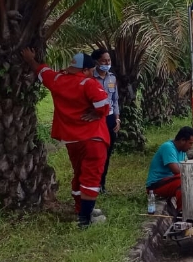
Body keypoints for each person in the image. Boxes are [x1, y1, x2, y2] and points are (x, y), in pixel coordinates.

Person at [21, 49, 110, 228]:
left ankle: (81, 209)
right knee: (91, 177)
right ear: (84, 70)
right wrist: (96, 113)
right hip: (93, 138)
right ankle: (85, 220)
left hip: (72, 139)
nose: (93, 73)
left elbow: (41, 70)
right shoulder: (89, 83)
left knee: (79, 174)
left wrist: (30, 59)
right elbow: (103, 104)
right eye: (91, 70)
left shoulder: (57, 80)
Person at [145, 126, 193, 215]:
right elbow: (177, 171)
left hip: (170, 181)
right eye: (190, 143)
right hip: (156, 185)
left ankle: (192, 208)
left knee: (190, 178)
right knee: (183, 179)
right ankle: (182, 211)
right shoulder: (168, 147)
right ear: (182, 140)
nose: (191, 147)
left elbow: (186, 168)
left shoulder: (182, 151)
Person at [91, 49, 120, 193]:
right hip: (95, 120)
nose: (107, 63)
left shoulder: (112, 78)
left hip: (109, 119)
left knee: (107, 153)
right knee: (96, 152)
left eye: (109, 60)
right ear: (96, 61)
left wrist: (117, 119)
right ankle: (93, 184)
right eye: (104, 61)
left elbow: (115, 100)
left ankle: (102, 184)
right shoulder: (90, 78)